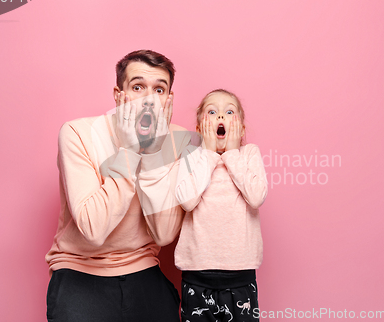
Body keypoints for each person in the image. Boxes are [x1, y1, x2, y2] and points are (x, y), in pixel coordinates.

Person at [45, 50, 190, 322]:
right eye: (137, 87)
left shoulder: (178, 140)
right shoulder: (78, 133)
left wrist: (154, 153)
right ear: (118, 95)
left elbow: (164, 234)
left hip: (144, 270)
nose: (149, 99)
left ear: (169, 100)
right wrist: (130, 152)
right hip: (80, 271)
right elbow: (94, 230)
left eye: (159, 90)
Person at [175, 89, 268, 321]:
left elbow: (256, 196)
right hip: (197, 274)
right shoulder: (191, 156)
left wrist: (232, 153)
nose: (220, 117)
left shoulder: (248, 154)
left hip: (240, 276)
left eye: (229, 112)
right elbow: (186, 201)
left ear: (241, 129)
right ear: (199, 129)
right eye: (212, 112)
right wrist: (207, 153)